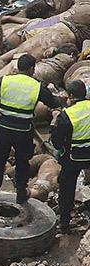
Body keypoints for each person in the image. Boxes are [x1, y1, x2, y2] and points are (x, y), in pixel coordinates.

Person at [0, 53, 61, 204]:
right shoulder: (36, 86)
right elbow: (53, 102)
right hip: (23, 132)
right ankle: (21, 193)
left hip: (3, 129)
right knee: (22, 162)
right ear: (31, 69)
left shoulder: (5, 81)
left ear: (18, 67)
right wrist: (60, 98)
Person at [51, 78, 90, 233]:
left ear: (71, 95)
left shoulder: (66, 116)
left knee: (66, 188)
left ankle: (65, 223)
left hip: (74, 158)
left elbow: (57, 143)